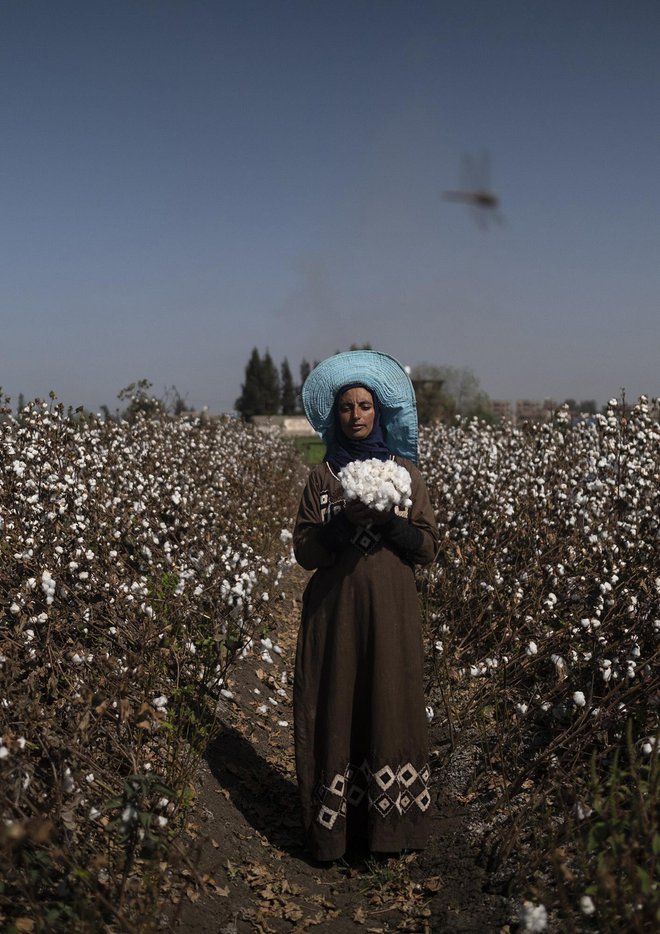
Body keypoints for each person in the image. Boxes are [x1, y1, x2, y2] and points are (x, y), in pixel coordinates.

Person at [293, 350, 439, 862]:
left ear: (380, 412)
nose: (356, 415)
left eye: (365, 405)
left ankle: (391, 833)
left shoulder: (406, 477)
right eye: (347, 407)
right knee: (337, 704)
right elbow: (304, 552)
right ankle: (336, 833)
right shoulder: (322, 478)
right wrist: (341, 524)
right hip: (334, 619)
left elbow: (426, 547)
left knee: (388, 703)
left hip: (392, 617)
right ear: (336, 415)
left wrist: (387, 522)